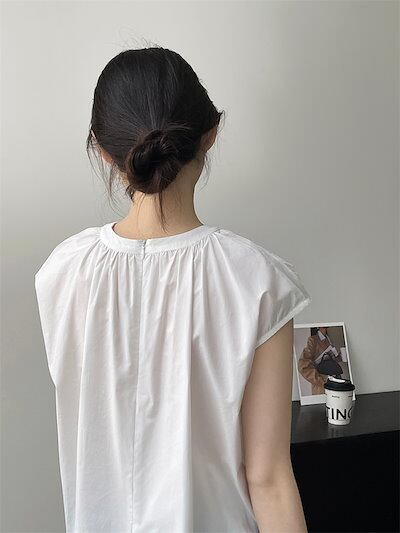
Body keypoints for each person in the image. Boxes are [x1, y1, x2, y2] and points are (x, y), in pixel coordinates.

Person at [34, 46, 312, 533]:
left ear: (103, 151)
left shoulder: (62, 272)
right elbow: (267, 478)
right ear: (210, 135)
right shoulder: (256, 282)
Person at [298, 327, 342, 395]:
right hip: (322, 387)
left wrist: (340, 357)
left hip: (336, 380)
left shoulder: (329, 338)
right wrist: (322, 381)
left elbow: (331, 361)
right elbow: (303, 366)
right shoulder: (313, 340)